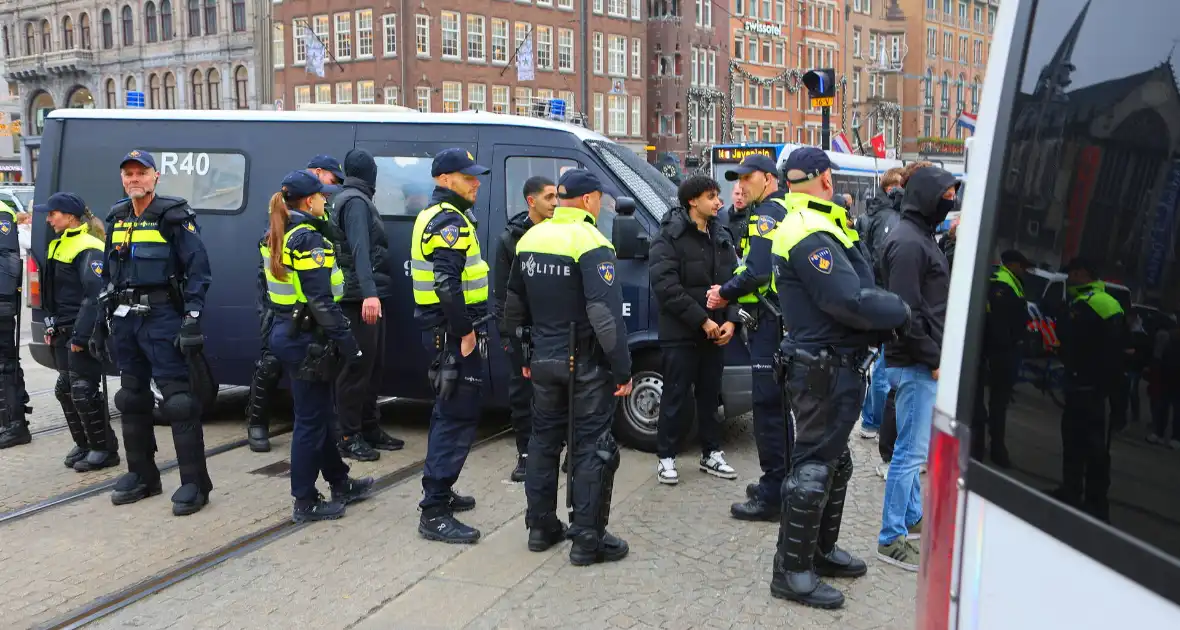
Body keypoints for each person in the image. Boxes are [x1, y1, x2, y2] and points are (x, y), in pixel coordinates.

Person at [768, 147, 910, 609]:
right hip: (821, 367)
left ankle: (818, 552)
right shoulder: (808, 230)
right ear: (825, 178)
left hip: (830, 362)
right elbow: (849, 299)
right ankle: (792, 572)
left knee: (833, 463)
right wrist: (903, 311)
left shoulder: (817, 222)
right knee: (813, 469)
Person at [503, 168, 633, 565]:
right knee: (593, 447)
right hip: (586, 363)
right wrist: (623, 369)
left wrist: (522, 356)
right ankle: (587, 540)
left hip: (542, 358)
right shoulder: (592, 241)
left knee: (543, 441)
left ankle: (540, 527)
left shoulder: (531, 237)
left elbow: (512, 307)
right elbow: (605, 316)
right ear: (590, 199)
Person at [96, 149, 213, 516]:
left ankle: (195, 483)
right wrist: (101, 316)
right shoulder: (116, 217)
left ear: (155, 177)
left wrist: (192, 315)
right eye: (128, 173)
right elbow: (109, 272)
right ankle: (143, 475)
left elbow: (199, 270)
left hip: (162, 315)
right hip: (125, 318)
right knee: (131, 398)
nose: (134, 179)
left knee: (178, 401)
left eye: (141, 173)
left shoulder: (174, 216)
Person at [262, 170, 374, 522]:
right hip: (308, 338)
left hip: (290, 332)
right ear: (309, 201)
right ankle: (305, 500)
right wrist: (349, 344)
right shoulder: (307, 239)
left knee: (322, 415)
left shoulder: (276, 234)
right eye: (323, 196)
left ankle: (340, 481)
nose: (327, 200)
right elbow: (321, 301)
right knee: (310, 422)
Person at [878, 165, 959, 571]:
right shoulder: (911, 243)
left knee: (913, 450)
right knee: (910, 454)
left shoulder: (915, 236)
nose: (950, 204)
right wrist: (933, 359)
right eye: (945, 196)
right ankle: (891, 537)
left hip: (916, 360)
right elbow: (905, 313)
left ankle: (910, 520)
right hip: (915, 363)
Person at [410, 148, 493, 544]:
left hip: (444, 331)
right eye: (467, 176)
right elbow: (446, 285)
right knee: (456, 416)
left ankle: (441, 490)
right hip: (453, 333)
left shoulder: (439, 215)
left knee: (448, 412)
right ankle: (435, 511)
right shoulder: (449, 222)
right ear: (445, 179)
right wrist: (465, 332)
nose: (476, 182)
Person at [245, 154, 350, 453]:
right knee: (269, 362)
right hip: (278, 300)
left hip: (302, 305)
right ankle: (256, 422)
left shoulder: (318, 214)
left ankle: (332, 447)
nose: (330, 193)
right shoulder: (286, 204)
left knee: (314, 380)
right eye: (329, 182)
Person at [707, 153, 789, 522]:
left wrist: (724, 292)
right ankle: (781, 481)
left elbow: (755, 272)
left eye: (749, 178)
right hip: (776, 317)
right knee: (776, 405)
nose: (741, 186)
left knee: (768, 408)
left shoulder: (767, 215)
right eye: (738, 179)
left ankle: (774, 493)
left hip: (769, 321)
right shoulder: (779, 209)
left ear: (769, 179)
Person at [649, 175, 740, 484]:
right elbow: (666, 287)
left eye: (717, 196)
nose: (719, 202)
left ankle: (711, 453)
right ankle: (666, 457)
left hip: (716, 333)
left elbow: (733, 282)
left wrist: (730, 320)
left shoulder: (721, 235)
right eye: (711, 196)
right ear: (692, 201)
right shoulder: (668, 238)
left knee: (710, 396)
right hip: (681, 334)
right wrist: (703, 320)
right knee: (674, 395)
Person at [39, 193, 120, 470]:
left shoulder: (89, 245)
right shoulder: (59, 244)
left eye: (53, 214)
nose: (48, 219)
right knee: (66, 389)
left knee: (83, 390)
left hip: (80, 331)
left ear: (70, 216)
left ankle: (104, 449)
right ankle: (85, 443)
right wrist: (50, 322)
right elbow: (53, 291)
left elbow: (94, 295)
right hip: (62, 330)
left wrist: (82, 336)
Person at [332, 148, 403, 461]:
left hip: (366, 294)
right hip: (358, 298)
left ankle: (369, 427)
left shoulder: (354, 199)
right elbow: (360, 250)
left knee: (373, 367)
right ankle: (348, 435)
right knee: (357, 368)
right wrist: (369, 293)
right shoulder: (356, 203)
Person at [1050, 258, 1125, 522]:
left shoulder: (1104, 304)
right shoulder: (1077, 301)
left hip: (1094, 390)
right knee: (1072, 441)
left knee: (1095, 450)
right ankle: (1071, 491)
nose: (1069, 278)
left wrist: (1109, 393)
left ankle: (1096, 504)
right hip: (1077, 384)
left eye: (1072, 273)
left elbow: (1114, 356)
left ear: (1083, 273)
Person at [494, 176, 558, 482]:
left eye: (557, 196)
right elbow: (502, 295)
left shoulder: (560, 234)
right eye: (549, 197)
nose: (555, 203)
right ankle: (525, 455)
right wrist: (509, 338)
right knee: (522, 395)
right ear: (531, 201)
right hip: (524, 333)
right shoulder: (511, 240)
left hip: (554, 329)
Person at [856, 168, 904, 442]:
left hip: (872, 293)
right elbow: (881, 259)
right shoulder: (889, 219)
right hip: (883, 294)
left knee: (879, 363)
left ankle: (870, 419)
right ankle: (875, 422)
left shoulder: (869, 216)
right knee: (884, 367)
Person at [972, 249, 1032, 467]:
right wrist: (1003, 350)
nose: (1025, 271)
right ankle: (992, 449)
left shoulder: (1010, 283)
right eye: (1022, 266)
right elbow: (999, 325)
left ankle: (990, 447)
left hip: (1001, 353)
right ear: (1012, 264)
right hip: (1000, 355)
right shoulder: (1003, 285)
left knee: (997, 403)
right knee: (995, 404)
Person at [0, 186, 31, 449]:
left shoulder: (2, 212)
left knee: (4, 363)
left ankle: (14, 424)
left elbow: (8, 262)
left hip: (0, 303)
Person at [720, 185, 749, 258]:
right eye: (737, 194)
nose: (739, 198)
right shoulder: (721, 216)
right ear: (732, 194)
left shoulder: (752, 219)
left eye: (743, 195)